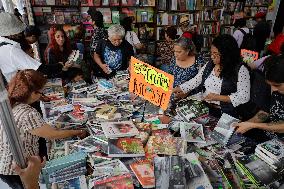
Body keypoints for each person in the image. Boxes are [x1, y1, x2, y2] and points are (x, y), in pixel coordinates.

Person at [0, 70, 87, 189]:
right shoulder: (28, 113)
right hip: (17, 169)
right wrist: (77, 131)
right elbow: (53, 135)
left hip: (7, 164)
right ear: (32, 93)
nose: (42, 95)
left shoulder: (13, 103)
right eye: (41, 92)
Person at [173, 34, 251, 118]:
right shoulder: (210, 65)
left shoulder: (240, 70)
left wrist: (218, 97)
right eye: (211, 53)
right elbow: (196, 80)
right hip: (205, 107)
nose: (212, 56)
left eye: (216, 54)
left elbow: (244, 96)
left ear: (227, 54)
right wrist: (179, 88)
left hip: (225, 112)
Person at [234, 55, 284, 141]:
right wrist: (247, 123)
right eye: (270, 85)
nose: (273, 89)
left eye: (277, 85)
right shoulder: (276, 91)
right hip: (269, 141)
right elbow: (266, 112)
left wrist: (253, 125)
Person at [0, 12, 41, 83]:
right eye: (17, 32)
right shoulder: (11, 50)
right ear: (11, 34)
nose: (19, 33)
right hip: (16, 86)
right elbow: (37, 68)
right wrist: (60, 66)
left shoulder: (4, 45)